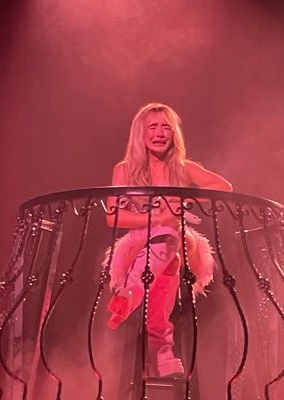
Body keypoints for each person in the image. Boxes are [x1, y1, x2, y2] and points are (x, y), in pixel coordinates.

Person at [105, 102, 232, 378]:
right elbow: (113, 217)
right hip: (139, 243)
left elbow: (224, 186)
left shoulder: (183, 167)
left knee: (172, 241)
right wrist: (156, 220)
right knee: (169, 252)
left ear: (174, 134)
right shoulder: (124, 169)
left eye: (166, 127)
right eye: (153, 127)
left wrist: (184, 199)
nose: (160, 133)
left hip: (175, 239)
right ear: (141, 133)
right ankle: (162, 353)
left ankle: (130, 294)